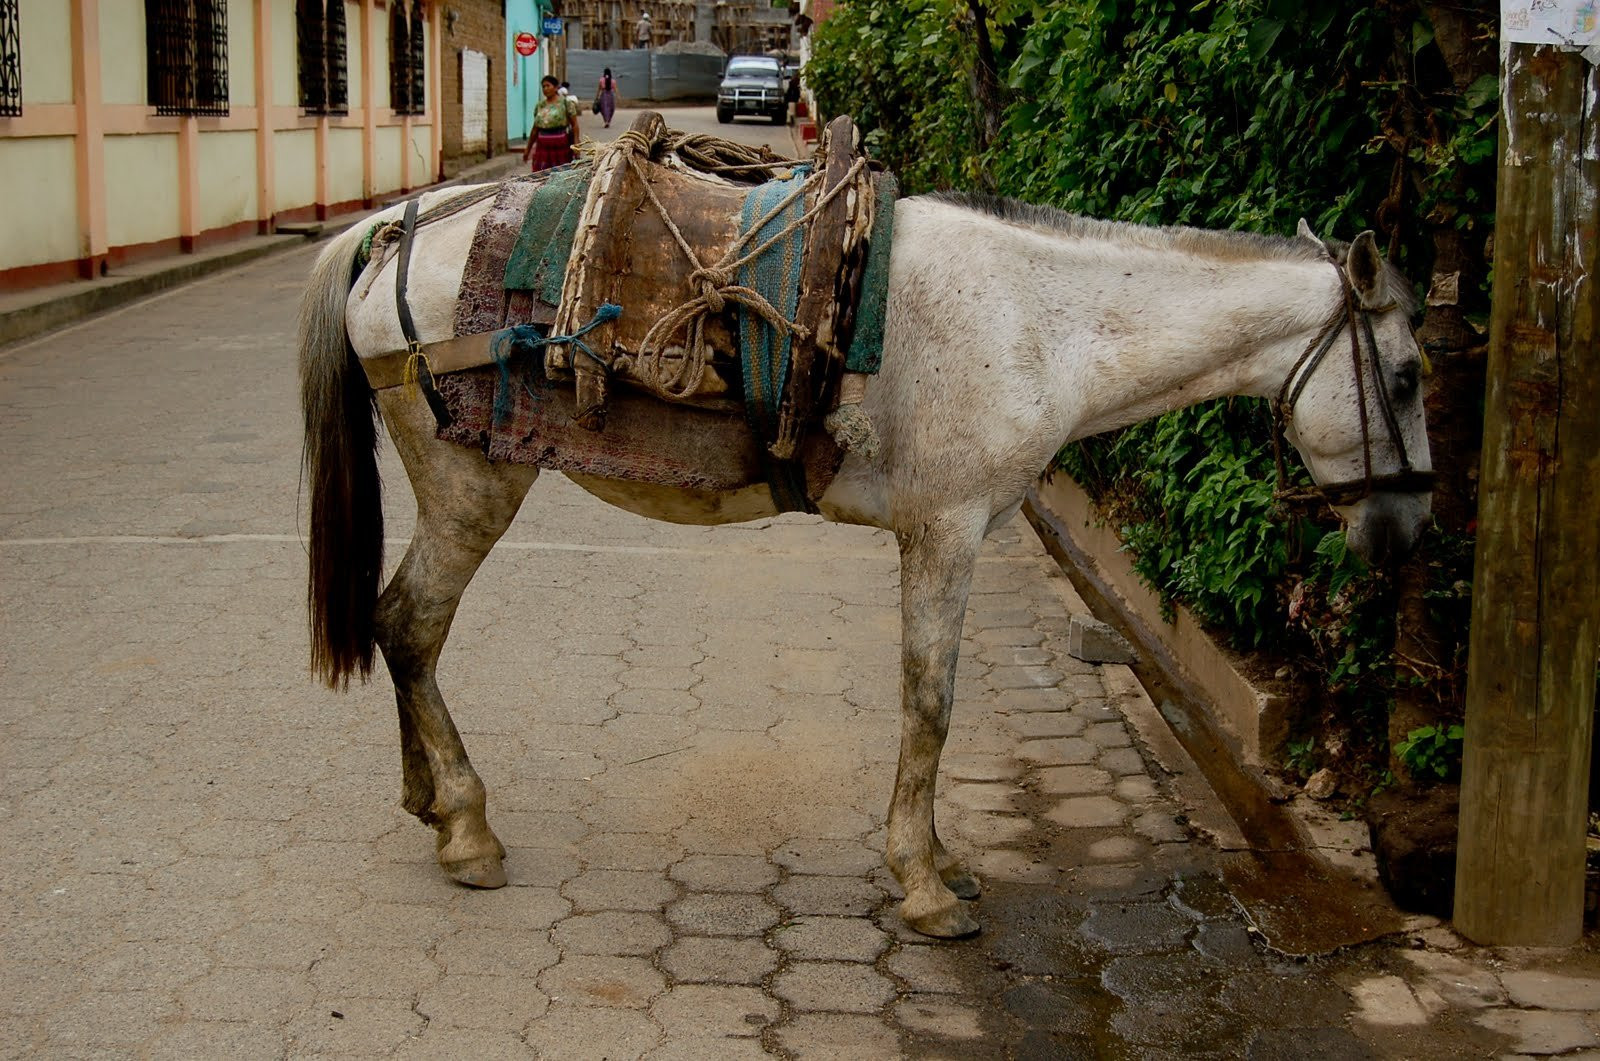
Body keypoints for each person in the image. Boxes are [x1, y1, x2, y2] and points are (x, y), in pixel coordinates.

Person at [523, 75, 579, 172]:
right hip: (542, 147)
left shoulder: (566, 103)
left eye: (548, 86)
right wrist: (528, 149)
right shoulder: (540, 105)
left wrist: (576, 144)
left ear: (556, 87)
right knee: (541, 174)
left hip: (560, 145)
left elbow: (574, 125)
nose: (545, 89)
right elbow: (535, 129)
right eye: (543, 87)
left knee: (560, 173)